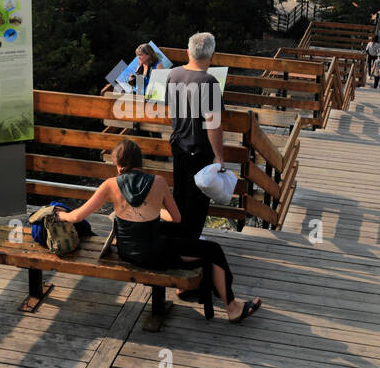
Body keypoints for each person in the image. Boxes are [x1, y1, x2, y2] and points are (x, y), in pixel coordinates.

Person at [58, 140, 261, 322]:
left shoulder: (110, 185)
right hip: (155, 254)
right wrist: (156, 210)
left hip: (127, 252)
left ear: (118, 165)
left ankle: (190, 289)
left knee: (170, 237)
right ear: (141, 162)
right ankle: (232, 308)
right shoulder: (158, 182)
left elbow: (76, 216)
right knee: (213, 250)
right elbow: (177, 218)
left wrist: (61, 216)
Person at [165, 32, 225, 241]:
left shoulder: (173, 75)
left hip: (178, 144)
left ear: (187, 52)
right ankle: (190, 243)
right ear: (212, 55)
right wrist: (219, 156)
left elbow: (171, 110)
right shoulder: (209, 81)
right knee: (198, 199)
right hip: (199, 148)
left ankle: (178, 237)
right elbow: (213, 124)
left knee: (180, 193)